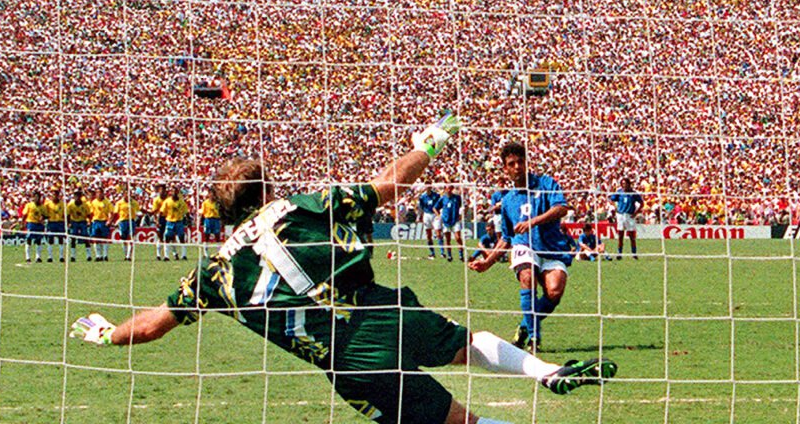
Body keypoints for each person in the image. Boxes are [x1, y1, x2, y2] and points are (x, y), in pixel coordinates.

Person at [70, 114, 616, 424]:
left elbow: (154, 323)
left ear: (220, 211)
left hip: (345, 362)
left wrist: (108, 335)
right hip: (378, 312)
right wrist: (426, 147)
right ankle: (544, 371)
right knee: (467, 345)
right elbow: (388, 185)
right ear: (267, 189)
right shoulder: (305, 205)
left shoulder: (215, 272)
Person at [470, 142, 572, 353]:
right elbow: (507, 238)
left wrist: (533, 221)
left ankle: (525, 326)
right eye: (512, 164)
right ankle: (535, 339)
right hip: (524, 246)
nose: (517, 167)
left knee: (554, 292)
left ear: (527, 163)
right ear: (505, 169)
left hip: (551, 248)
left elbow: (562, 208)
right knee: (527, 276)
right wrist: (487, 262)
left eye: (520, 162)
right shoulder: (507, 201)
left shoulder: (546, 183)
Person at [609, 178, 643, 260]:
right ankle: (619, 253)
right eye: (622, 184)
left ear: (629, 184)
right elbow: (611, 199)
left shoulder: (633, 193)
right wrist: (615, 207)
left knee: (632, 236)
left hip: (630, 215)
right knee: (620, 235)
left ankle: (634, 254)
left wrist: (636, 212)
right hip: (621, 215)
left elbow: (641, 203)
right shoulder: (619, 192)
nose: (624, 185)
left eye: (625, 183)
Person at [438, 186, 465, 262]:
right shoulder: (443, 198)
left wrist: (461, 215)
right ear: (445, 189)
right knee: (448, 239)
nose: (449, 190)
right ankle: (449, 256)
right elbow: (435, 207)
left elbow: (463, 206)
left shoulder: (457, 198)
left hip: (455, 220)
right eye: (447, 188)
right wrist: (439, 216)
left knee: (458, 237)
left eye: (450, 188)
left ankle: (461, 255)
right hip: (446, 221)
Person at [161, 187, 189, 260]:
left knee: (181, 238)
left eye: (175, 191)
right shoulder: (167, 201)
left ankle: (184, 255)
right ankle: (166, 256)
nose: (174, 193)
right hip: (170, 221)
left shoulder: (181, 202)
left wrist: (189, 221)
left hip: (179, 221)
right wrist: (158, 221)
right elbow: (162, 211)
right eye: (172, 191)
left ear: (177, 192)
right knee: (167, 238)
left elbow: (186, 212)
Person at [417, 185, 444, 259]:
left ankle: (442, 252)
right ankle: (432, 253)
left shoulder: (436, 195)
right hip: (427, 215)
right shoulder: (422, 197)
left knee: (438, 233)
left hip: (435, 215)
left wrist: (439, 213)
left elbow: (440, 204)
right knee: (428, 235)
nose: (428, 187)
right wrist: (419, 216)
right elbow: (421, 207)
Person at [113, 191, 141, 261]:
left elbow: (138, 211)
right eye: (126, 194)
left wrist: (139, 215)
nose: (128, 195)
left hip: (131, 220)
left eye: (129, 194)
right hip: (122, 221)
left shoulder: (134, 202)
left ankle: (129, 256)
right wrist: (115, 222)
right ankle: (126, 254)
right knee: (123, 238)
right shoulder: (119, 203)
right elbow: (116, 212)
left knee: (131, 237)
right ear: (123, 194)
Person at [88, 189, 114, 262]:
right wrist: (90, 221)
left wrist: (109, 221)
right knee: (95, 239)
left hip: (104, 221)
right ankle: (98, 255)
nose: (99, 194)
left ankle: (105, 255)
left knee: (104, 239)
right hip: (96, 221)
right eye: (97, 193)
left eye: (100, 192)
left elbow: (111, 212)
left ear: (103, 193)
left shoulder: (107, 202)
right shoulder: (94, 202)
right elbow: (91, 213)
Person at [21, 191, 46, 263]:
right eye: (35, 197)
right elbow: (24, 214)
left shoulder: (42, 206)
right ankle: (27, 257)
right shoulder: (29, 205)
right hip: (31, 223)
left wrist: (43, 218)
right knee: (29, 239)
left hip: (39, 224)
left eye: (38, 197)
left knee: (38, 240)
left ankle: (38, 257)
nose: (36, 198)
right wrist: (23, 223)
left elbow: (45, 215)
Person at [43, 190, 67, 263]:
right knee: (50, 239)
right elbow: (45, 214)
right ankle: (50, 256)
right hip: (51, 222)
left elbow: (65, 214)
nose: (54, 196)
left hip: (60, 222)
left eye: (56, 195)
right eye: (53, 195)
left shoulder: (62, 204)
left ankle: (61, 256)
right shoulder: (47, 204)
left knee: (60, 239)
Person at [66, 189, 89, 262]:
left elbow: (88, 214)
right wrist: (68, 223)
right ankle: (73, 256)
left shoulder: (85, 204)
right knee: (73, 238)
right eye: (76, 195)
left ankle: (88, 255)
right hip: (74, 222)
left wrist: (89, 221)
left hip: (82, 221)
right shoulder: (70, 204)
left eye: (79, 195)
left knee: (85, 237)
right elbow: (68, 215)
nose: (77, 197)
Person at [149, 184, 169, 261]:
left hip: (168, 218)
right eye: (160, 190)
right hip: (160, 218)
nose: (161, 192)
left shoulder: (168, 199)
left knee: (168, 236)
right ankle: (158, 254)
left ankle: (169, 255)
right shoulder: (156, 200)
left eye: (162, 190)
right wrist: (156, 220)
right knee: (160, 237)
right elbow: (154, 211)